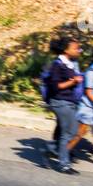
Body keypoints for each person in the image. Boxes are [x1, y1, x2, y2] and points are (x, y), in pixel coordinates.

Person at [37, 37, 83, 174]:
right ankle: (64, 165)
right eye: (75, 48)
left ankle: (49, 149)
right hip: (60, 102)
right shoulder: (57, 65)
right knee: (66, 134)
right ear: (66, 50)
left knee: (74, 132)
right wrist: (73, 81)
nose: (79, 50)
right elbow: (56, 86)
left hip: (69, 101)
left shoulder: (70, 64)